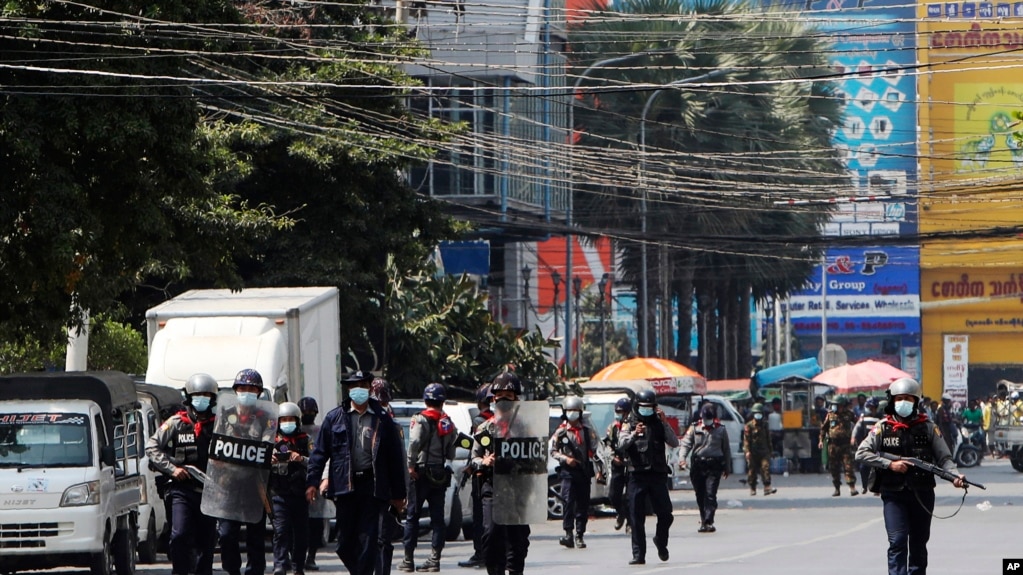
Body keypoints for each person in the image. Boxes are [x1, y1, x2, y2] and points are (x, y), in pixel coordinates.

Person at [855, 377, 966, 575]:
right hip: (893, 494)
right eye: (899, 398)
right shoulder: (882, 427)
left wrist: (955, 476)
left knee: (918, 544)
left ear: (916, 401)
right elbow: (861, 453)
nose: (903, 402)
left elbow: (945, 458)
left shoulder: (929, 427)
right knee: (897, 541)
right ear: (892, 401)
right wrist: (891, 464)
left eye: (909, 398)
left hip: (922, 493)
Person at [306, 370, 407, 575]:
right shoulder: (334, 418)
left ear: (369, 387)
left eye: (362, 385)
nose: (357, 390)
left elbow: (395, 459)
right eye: (353, 386)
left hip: (372, 486)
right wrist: (312, 482)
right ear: (348, 389)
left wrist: (398, 495)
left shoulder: (383, 419)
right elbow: (319, 452)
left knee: (369, 538)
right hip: (345, 486)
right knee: (344, 542)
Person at [145, 373, 219, 575]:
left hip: (210, 492)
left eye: (206, 395)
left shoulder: (220, 425)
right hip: (182, 489)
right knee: (179, 535)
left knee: (207, 541)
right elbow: (152, 447)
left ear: (212, 399)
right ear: (189, 396)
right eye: (197, 395)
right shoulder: (177, 422)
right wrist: (172, 469)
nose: (201, 399)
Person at [218, 368, 276, 575]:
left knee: (255, 537)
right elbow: (217, 445)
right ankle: (232, 570)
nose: (247, 392)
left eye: (252, 388)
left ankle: (254, 571)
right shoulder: (224, 415)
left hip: (255, 485)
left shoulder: (266, 418)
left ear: (259, 392)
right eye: (243, 388)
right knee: (226, 534)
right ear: (236, 390)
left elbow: (267, 446)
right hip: (228, 484)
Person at [472, 372, 531, 575]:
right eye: (500, 395)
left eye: (509, 395)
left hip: (518, 487)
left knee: (518, 539)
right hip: (493, 485)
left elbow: (537, 459)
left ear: (516, 398)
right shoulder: (484, 429)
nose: (504, 399)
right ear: (493, 398)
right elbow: (474, 457)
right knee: (491, 533)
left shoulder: (527, 428)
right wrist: (485, 461)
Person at [399, 383, 458, 572]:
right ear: (442, 401)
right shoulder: (448, 422)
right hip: (439, 474)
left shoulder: (420, 420)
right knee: (438, 519)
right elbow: (452, 452)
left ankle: (408, 560)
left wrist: (410, 465)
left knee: (412, 516)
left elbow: (414, 442)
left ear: (426, 400)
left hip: (421, 473)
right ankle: (435, 559)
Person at [619, 389, 678, 565]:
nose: (647, 410)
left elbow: (674, 442)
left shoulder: (659, 423)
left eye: (650, 407)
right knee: (636, 517)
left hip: (657, 475)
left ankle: (661, 541)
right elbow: (621, 444)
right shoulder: (629, 424)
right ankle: (639, 554)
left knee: (666, 514)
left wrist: (666, 423)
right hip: (637, 475)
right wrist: (633, 434)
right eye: (644, 407)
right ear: (637, 406)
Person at [549, 396, 603, 549]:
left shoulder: (587, 431)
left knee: (583, 504)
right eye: (570, 411)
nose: (573, 414)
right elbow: (553, 451)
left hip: (583, 472)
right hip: (568, 472)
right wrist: (566, 459)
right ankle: (568, 533)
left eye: (576, 411)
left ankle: (580, 534)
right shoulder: (560, 432)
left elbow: (595, 451)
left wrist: (600, 471)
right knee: (567, 502)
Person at [271, 402, 311, 575]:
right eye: (284, 420)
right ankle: (280, 564)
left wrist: (300, 458)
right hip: (279, 494)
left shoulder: (305, 440)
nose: (287, 423)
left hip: (300, 494)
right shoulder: (270, 440)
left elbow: (316, 463)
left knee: (301, 535)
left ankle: (298, 566)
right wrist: (269, 459)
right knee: (281, 531)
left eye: (291, 419)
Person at [678, 403, 731, 533]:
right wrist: (682, 459)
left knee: (710, 493)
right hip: (698, 466)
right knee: (700, 494)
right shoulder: (694, 428)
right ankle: (703, 520)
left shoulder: (721, 430)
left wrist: (727, 468)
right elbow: (685, 444)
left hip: (714, 466)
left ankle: (709, 520)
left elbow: (726, 450)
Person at [458, 384, 494, 569]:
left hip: (482, 474)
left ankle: (481, 552)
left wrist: (471, 467)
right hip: (490, 472)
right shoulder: (494, 419)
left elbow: (475, 449)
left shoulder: (479, 420)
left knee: (480, 518)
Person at [372, 378, 404, 575]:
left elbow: (400, 461)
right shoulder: (357, 422)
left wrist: (401, 493)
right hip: (364, 490)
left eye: (383, 403)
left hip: (387, 491)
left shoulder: (392, 425)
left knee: (383, 539)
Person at [299, 396, 328, 572]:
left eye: (310, 412)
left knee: (316, 523)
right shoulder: (293, 430)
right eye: (304, 412)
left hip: (316, 481)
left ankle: (311, 557)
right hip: (296, 482)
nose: (307, 415)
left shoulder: (321, 431)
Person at [820, 395, 859, 497]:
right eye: (834, 405)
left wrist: (855, 437)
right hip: (833, 445)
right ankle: (837, 488)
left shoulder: (849, 414)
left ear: (842, 405)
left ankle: (852, 488)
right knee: (834, 468)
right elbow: (824, 428)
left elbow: (858, 424)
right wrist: (821, 440)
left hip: (845, 445)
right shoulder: (830, 415)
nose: (836, 407)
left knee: (848, 466)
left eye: (838, 405)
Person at [604, 397, 632, 531]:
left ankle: (630, 523)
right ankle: (621, 513)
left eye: (621, 411)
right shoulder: (613, 427)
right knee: (613, 496)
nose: (618, 414)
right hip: (617, 464)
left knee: (631, 496)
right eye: (617, 411)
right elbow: (607, 445)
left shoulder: (633, 426)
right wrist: (613, 457)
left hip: (631, 464)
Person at [742, 403, 776, 497]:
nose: (758, 415)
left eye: (759, 413)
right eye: (756, 413)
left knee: (765, 468)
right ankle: (753, 488)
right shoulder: (749, 426)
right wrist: (747, 451)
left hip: (764, 451)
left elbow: (768, 439)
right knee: (752, 470)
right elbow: (746, 440)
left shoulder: (765, 425)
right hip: (753, 452)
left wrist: (771, 451)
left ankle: (767, 486)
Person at [851, 397, 882, 493]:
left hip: (877, 446)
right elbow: (857, 428)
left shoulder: (880, 418)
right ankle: (865, 486)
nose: (870, 409)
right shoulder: (863, 417)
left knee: (878, 468)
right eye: (868, 407)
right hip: (866, 446)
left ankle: (877, 488)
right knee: (863, 468)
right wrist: (853, 438)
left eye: (871, 407)